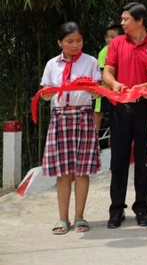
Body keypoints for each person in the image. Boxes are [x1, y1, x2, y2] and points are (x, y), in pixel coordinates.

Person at [103, 2, 147, 229]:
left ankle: (142, 208)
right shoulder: (118, 43)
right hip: (120, 108)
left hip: (146, 107)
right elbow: (107, 71)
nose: (122, 23)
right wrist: (115, 83)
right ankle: (116, 210)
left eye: (125, 19)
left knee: (143, 161)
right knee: (118, 160)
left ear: (139, 21)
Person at [40, 22, 102, 235]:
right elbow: (45, 93)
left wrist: (90, 88)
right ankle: (62, 218)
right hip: (60, 117)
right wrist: (49, 92)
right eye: (69, 42)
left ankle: (79, 217)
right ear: (60, 43)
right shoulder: (52, 65)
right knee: (63, 172)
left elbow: (99, 93)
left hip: (83, 115)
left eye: (79, 41)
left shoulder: (91, 62)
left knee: (82, 170)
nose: (75, 45)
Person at [95, 23, 121, 132]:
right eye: (107, 36)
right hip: (104, 89)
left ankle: (113, 140)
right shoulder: (103, 52)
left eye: (112, 37)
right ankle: (94, 140)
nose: (109, 39)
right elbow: (102, 73)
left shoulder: (123, 50)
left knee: (116, 114)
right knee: (98, 113)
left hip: (118, 89)